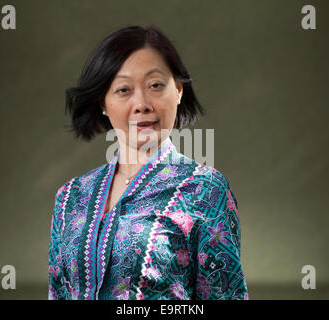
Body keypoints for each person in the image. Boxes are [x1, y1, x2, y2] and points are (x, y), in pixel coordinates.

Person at [48, 25, 249, 300]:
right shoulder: (71, 196)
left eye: (155, 85)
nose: (141, 103)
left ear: (178, 90)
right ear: (103, 103)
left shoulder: (205, 189)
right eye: (123, 89)